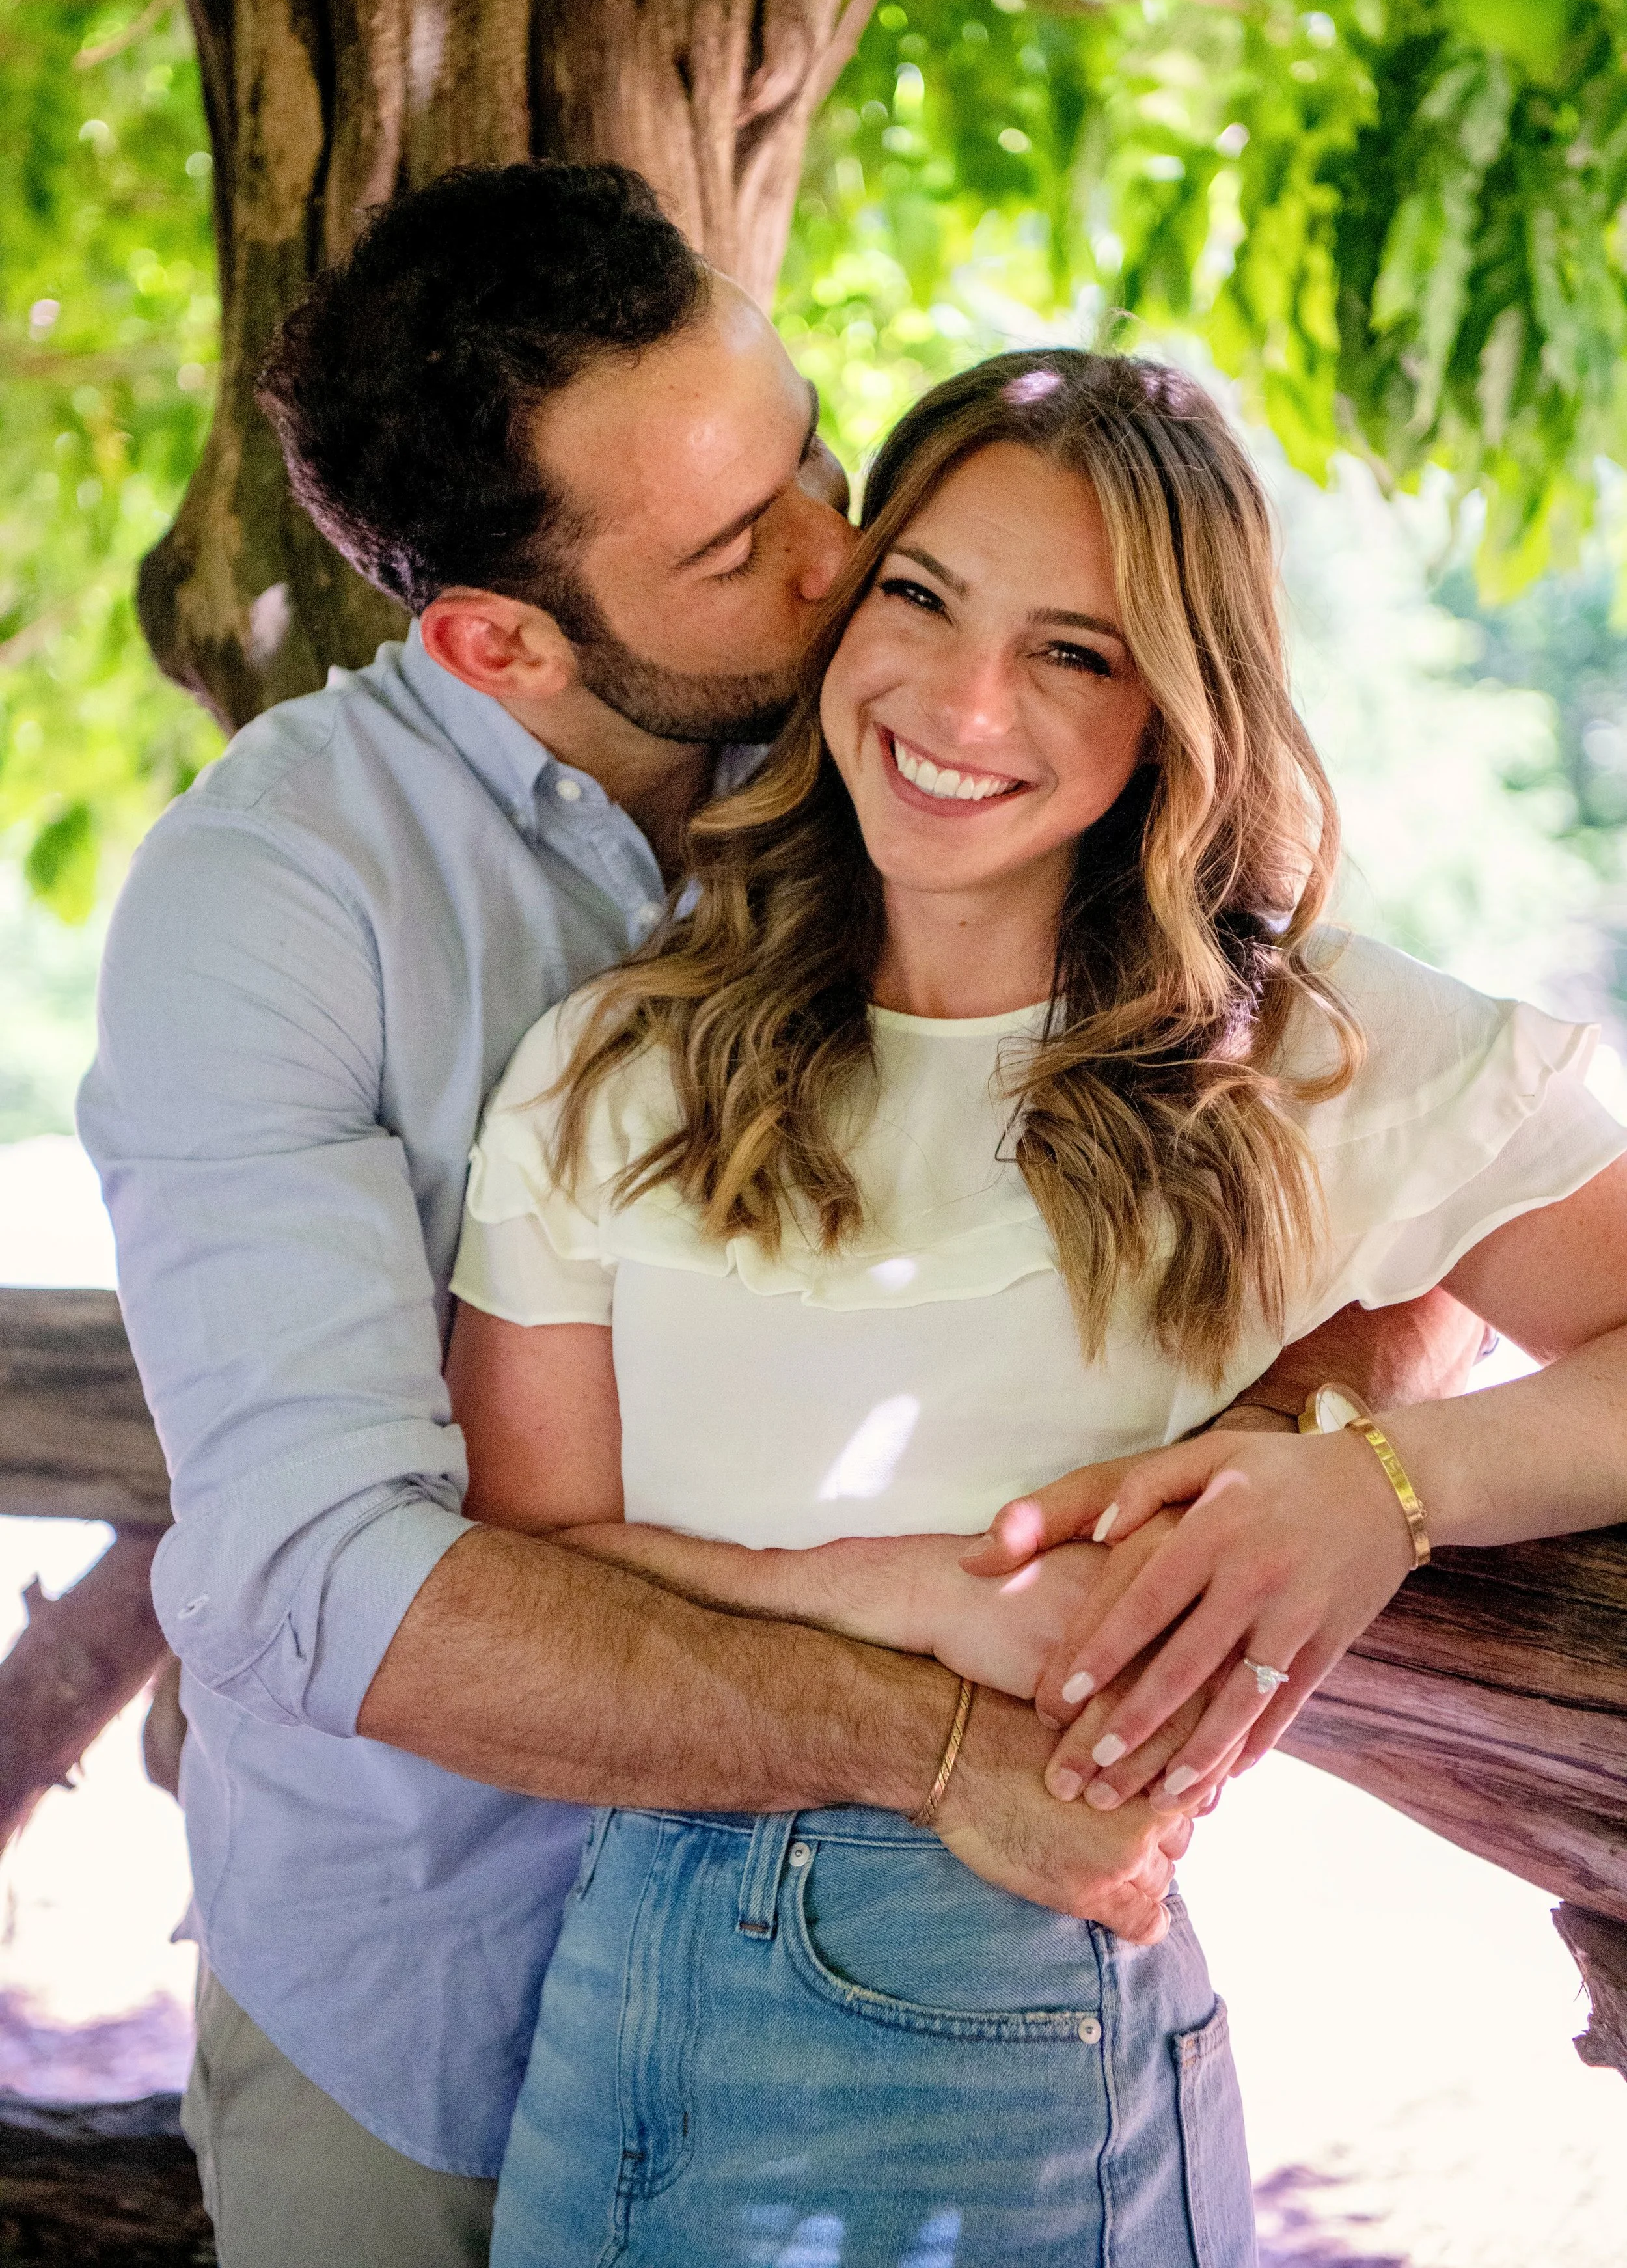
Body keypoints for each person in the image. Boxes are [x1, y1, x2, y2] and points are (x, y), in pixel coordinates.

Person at [79, 163, 1479, 2268]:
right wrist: (938, 1735)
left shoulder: (926, 751)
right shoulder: (273, 902)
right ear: (496, 640)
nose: (843, 558)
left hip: (903, 1987)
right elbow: (315, 1576)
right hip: (432, 1967)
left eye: (812, 453)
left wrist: (1307, 1442)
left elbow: (1356, 1150)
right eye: (739, 546)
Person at [445, 348, 1627, 2267]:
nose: (963, 702)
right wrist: (906, 1593)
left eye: (1074, 652)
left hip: (991, 2016)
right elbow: (527, 1560)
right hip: (617, 1993)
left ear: (1176, 708)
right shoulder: (619, 1061)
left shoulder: (1306, 1052)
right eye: (920, 597)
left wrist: (1378, 1489)